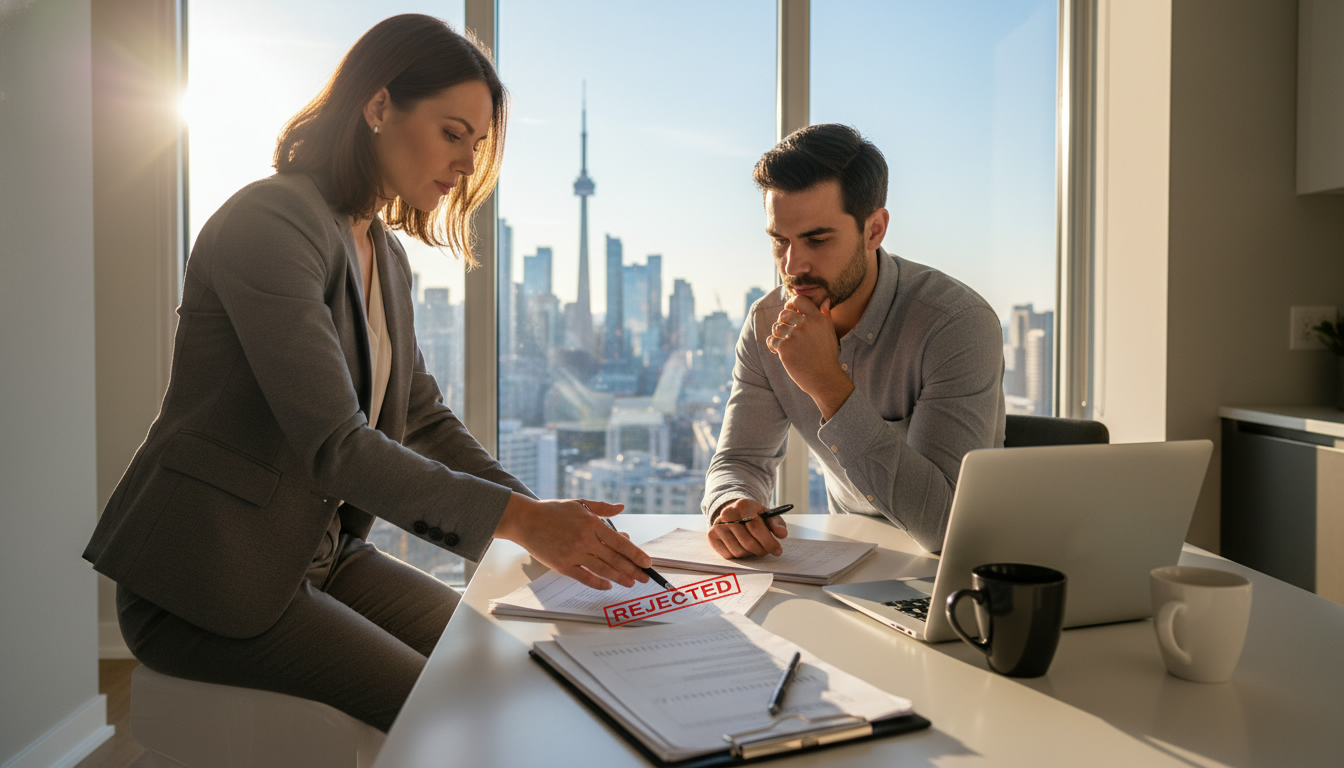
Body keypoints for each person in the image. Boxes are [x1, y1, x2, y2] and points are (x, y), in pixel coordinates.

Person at [81, 14, 653, 733]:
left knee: (511, 666)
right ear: (378, 106)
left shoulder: (384, 255)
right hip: (207, 577)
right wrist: (523, 523)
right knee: (449, 709)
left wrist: (539, 519)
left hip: (320, 557)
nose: (466, 165)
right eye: (453, 133)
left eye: (476, 147)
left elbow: (422, 418)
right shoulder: (271, 223)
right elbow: (336, 446)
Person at [703, 124, 1006, 557]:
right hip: (846, 560)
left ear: (874, 230)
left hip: (957, 565)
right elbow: (739, 462)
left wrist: (827, 384)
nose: (793, 265)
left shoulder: (956, 324)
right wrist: (731, 505)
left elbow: (945, 525)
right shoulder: (767, 321)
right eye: (779, 241)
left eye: (817, 239)